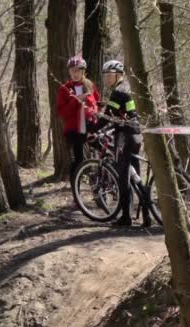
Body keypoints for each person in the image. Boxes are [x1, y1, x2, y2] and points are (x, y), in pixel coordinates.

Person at [93, 60, 150, 227]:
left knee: (122, 177)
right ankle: (146, 216)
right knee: (135, 177)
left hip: (125, 138)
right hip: (136, 136)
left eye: (110, 76)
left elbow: (108, 115)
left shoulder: (117, 91)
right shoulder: (128, 88)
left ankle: (126, 218)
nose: (107, 79)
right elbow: (122, 110)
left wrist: (93, 129)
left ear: (118, 75)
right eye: (105, 76)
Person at [57, 56, 100, 193]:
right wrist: (76, 101)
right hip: (74, 131)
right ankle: (77, 193)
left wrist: (94, 111)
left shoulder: (90, 85)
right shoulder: (65, 89)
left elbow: (97, 103)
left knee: (99, 157)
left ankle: (99, 190)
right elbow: (63, 112)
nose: (75, 73)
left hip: (91, 128)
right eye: (72, 70)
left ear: (83, 71)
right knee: (78, 162)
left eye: (78, 70)